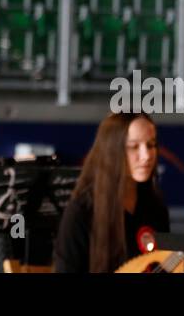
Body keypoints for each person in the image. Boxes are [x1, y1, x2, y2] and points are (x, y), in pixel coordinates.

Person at [53, 113, 169, 273]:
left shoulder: (155, 207)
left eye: (151, 145)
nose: (146, 156)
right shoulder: (82, 211)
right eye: (134, 146)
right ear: (113, 151)